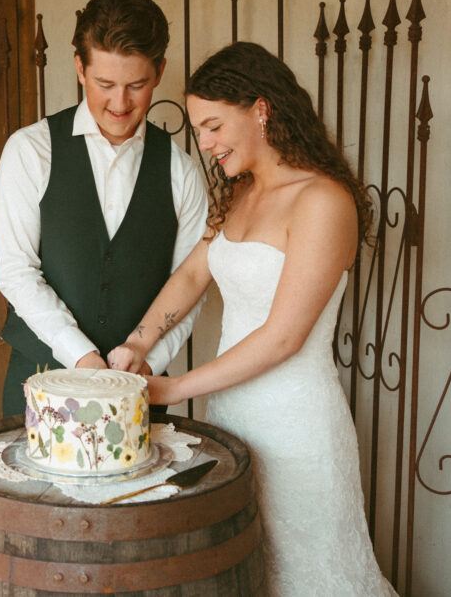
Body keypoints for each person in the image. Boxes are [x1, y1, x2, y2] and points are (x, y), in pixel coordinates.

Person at [107, 41, 396, 595]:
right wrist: (138, 344)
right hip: (231, 420)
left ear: (261, 109)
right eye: (199, 130)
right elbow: (192, 276)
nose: (206, 144)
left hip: (297, 427)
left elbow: (285, 336)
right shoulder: (238, 195)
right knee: (242, 570)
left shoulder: (324, 201)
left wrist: (173, 390)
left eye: (214, 125)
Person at [0, 0, 208, 417]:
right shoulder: (30, 151)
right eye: (105, 84)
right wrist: (83, 359)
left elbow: (191, 284)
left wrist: (148, 363)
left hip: (139, 393)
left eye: (137, 85)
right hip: (39, 387)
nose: (120, 103)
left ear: (160, 71)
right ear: (79, 68)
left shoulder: (180, 171)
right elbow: (16, 272)